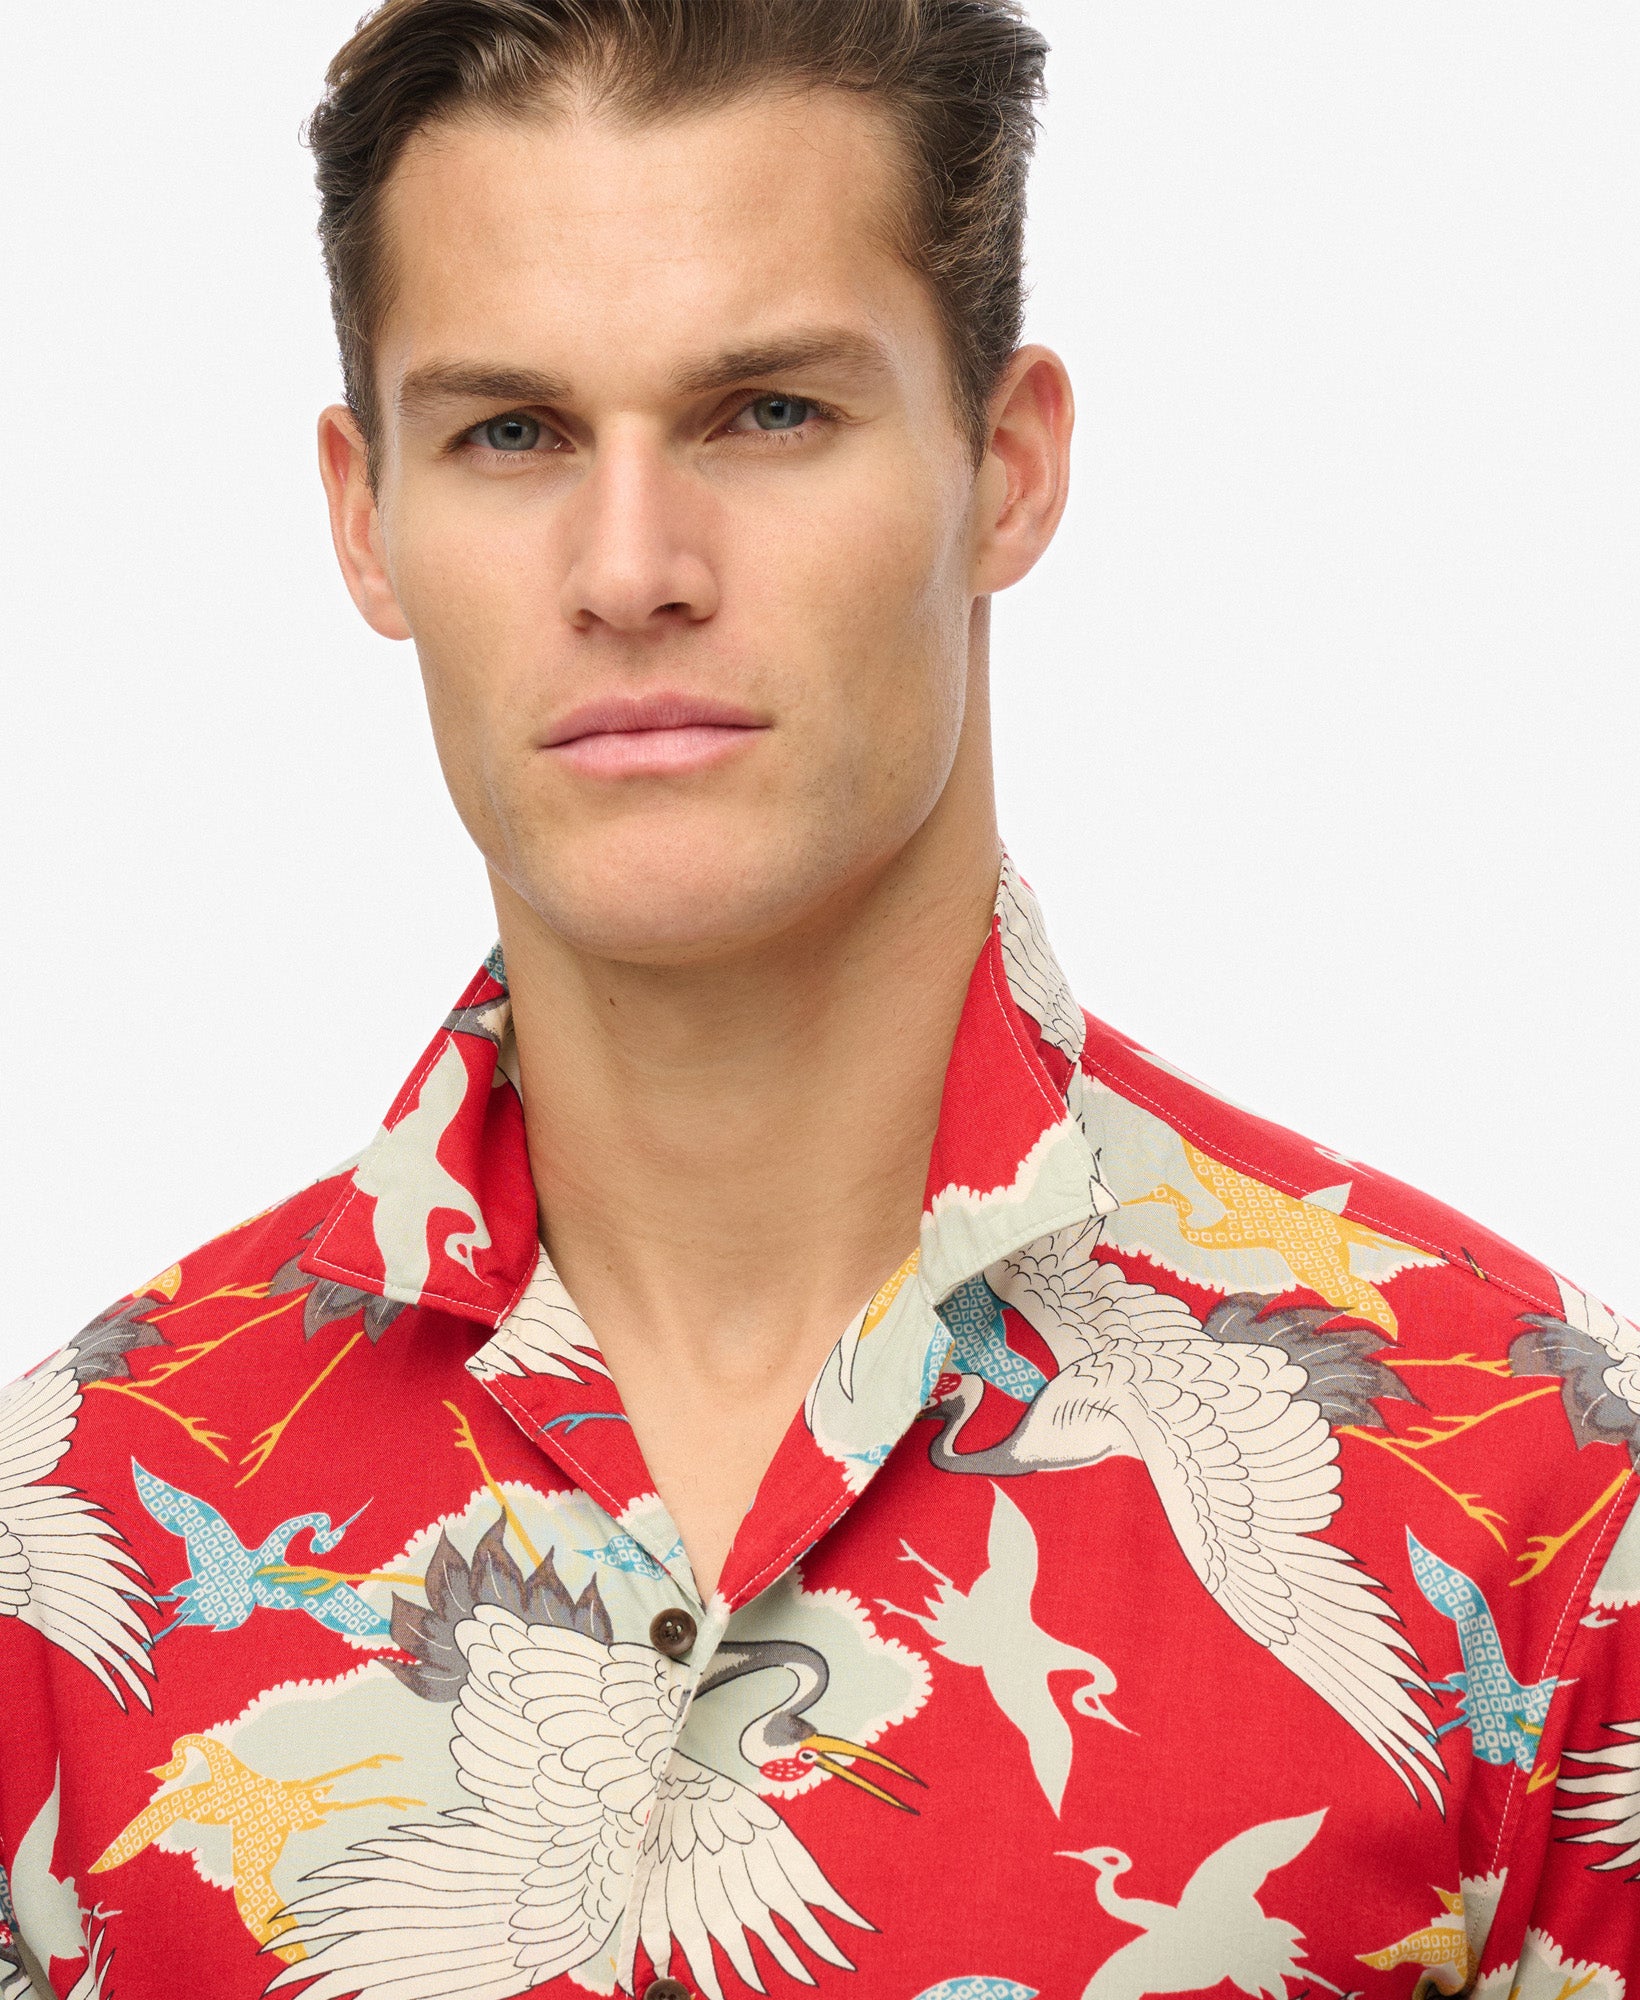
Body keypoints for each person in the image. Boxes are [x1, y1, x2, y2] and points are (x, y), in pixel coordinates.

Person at [1, 1, 1634, 1993]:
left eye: (765, 412)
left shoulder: (1539, 1502)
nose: (631, 568)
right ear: (368, 516)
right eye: (512, 432)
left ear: (1006, 467)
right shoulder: (68, 1536)